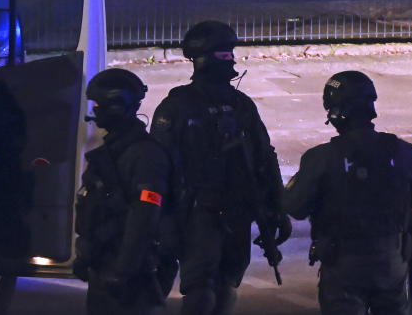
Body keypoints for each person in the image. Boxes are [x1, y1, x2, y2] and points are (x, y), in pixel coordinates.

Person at [149, 20, 290, 315]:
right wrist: (161, 219)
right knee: (202, 286)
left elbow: (265, 159)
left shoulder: (241, 105)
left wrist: (277, 209)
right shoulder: (180, 106)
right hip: (197, 211)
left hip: (236, 210)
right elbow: (156, 168)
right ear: (204, 58)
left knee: (225, 282)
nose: (232, 59)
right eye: (225, 54)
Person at [282, 70, 412, 315]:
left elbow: (295, 206)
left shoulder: (322, 157)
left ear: (337, 112)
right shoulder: (403, 150)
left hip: (344, 261)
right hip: (391, 257)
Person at [74, 68, 174, 315]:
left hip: (133, 278)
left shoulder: (145, 156)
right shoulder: (112, 152)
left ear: (116, 106)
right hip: (105, 265)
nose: (94, 110)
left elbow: (144, 217)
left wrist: (123, 271)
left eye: (98, 104)